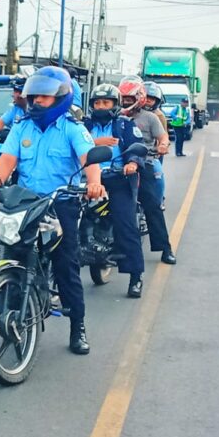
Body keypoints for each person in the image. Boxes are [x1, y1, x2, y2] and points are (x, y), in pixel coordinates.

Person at [0, 66, 105, 355]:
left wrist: (94, 183)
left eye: (43, 97)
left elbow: (90, 160)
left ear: (60, 98)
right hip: (25, 200)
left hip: (61, 202)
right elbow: (7, 161)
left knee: (66, 263)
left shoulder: (72, 128)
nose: (36, 102)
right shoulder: (22, 127)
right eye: (33, 97)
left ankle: (77, 326)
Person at [84, 84, 147, 297]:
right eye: (97, 103)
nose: (101, 106)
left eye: (106, 102)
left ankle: (136, 276)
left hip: (117, 179)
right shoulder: (83, 126)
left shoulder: (125, 125)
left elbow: (137, 148)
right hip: (87, 180)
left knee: (126, 225)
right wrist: (96, 142)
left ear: (115, 104)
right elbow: (72, 147)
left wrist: (132, 164)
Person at [118, 76, 176, 265]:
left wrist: (163, 145)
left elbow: (163, 137)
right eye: (123, 98)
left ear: (139, 98)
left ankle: (165, 248)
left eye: (129, 98)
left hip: (144, 163)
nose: (126, 102)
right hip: (118, 165)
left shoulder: (150, 118)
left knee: (152, 205)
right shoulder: (115, 117)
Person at [144, 81, 167, 209]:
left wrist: (161, 146)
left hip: (151, 153)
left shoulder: (158, 116)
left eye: (151, 99)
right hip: (130, 152)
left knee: (157, 174)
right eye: (145, 97)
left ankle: (159, 200)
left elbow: (163, 136)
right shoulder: (128, 112)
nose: (147, 101)